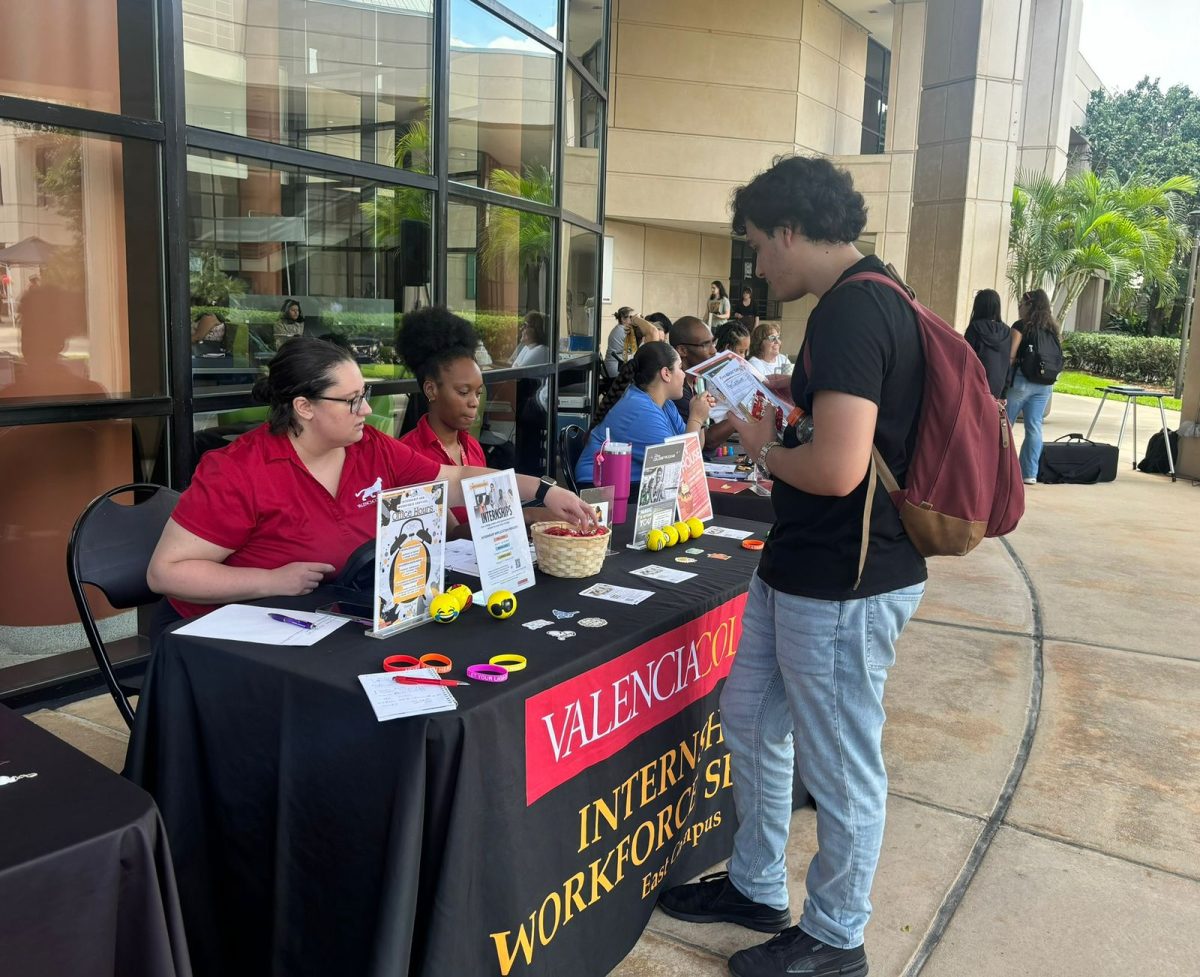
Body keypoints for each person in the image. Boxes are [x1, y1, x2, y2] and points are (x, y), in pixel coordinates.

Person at [658, 155, 926, 977]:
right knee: (753, 720)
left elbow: (839, 470)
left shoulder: (853, 314)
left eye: (757, 249)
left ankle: (838, 935)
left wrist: (761, 445)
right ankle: (757, 881)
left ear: (788, 231)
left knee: (842, 763)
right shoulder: (867, 297)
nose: (758, 269)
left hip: (845, 579)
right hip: (802, 567)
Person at [147, 337, 594, 625]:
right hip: (242, 631)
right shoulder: (239, 470)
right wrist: (269, 579)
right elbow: (167, 573)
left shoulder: (369, 446)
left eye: (365, 396)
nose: (365, 409)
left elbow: (454, 479)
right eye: (351, 400)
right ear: (304, 407)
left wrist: (543, 489)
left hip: (338, 614)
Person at [396, 308, 488, 537]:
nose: (474, 402)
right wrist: (528, 516)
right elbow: (447, 533)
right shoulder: (408, 454)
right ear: (431, 389)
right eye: (463, 392)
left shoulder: (473, 447)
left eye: (478, 393)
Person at [574, 341, 711, 486]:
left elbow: (694, 450)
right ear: (666, 374)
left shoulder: (666, 404)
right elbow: (681, 468)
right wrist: (696, 418)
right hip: (599, 489)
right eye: (680, 368)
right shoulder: (640, 410)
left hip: (626, 485)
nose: (684, 375)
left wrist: (699, 417)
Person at [1006, 288, 1059, 485]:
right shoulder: (1052, 328)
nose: (1019, 308)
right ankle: (1029, 474)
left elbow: (1011, 355)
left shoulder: (1021, 325)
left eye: (1021, 304)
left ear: (1029, 305)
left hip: (1021, 381)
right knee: (1034, 427)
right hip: (1044, 385)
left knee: (1004, 424)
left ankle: (1000, 468)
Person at [667, 315, 717, 424]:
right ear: (682, 350)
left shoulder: (699, 379)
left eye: (713, 342)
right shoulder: (677, 391)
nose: (714, 350)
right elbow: (705, 439)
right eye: (705, 344)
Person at [964, 288, 1010, 399]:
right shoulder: (1007, 331)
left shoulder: (975, 328)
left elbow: (966, 358)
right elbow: (1007, 361)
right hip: (997, 387)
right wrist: (1004, 393)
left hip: (976, 386)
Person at [603, 306, 636, 378]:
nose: (633, 320)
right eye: (631, 317)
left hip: (611, 367)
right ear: (623, 319)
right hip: (616, 369)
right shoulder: (624, 331)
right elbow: (635, 349)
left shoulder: (618, 328)